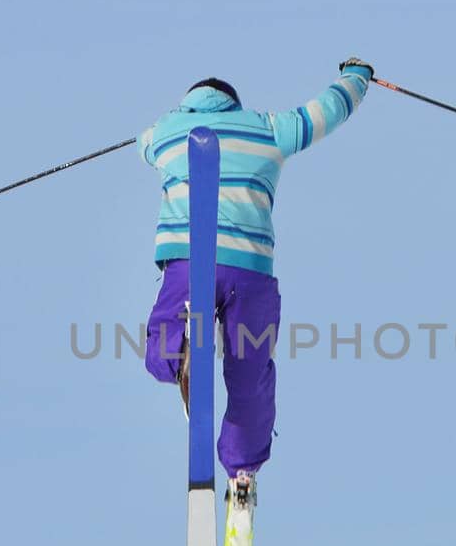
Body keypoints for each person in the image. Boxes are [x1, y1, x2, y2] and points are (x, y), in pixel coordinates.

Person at [140, 58, 373, 508]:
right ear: (235, 104)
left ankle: (179, 352)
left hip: (188, 264)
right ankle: (242, 469)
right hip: (250, 269)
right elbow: (324, 112)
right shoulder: (267, 128)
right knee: (252, 371)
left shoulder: (167, 132)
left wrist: (152, 137)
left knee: (160, 342)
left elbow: (142, 145)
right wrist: (356, 78)